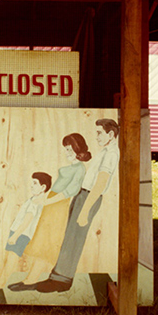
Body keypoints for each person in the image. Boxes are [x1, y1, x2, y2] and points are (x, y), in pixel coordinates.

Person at [35, 118, 119, 293]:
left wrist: (85, 210)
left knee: (74, 237)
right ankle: (57, 276)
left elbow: (101, 182)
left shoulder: (111, 154)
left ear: (111, 134)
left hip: (89, 197)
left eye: (99, 133)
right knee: (69, 235)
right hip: (83, 195)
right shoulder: (106, 151)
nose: (96, 137)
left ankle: (62, 280)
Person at [8, 133, 91, 292]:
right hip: (51, 203)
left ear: (77, 149)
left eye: (69, 149)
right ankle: (29, 279)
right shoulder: (72, 167)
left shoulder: (80, 168)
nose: (67, 152)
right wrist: (45, 198)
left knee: (45, 243)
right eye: (66, 149)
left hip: (58, 206)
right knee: (40, 241)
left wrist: (48, 201)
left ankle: (30, 280)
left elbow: (71, 190)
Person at [0, 172, 52, 290]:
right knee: (9, 256)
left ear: (43, 187)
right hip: (17, 232)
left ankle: (1, 282)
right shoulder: (34, 199)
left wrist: (15, 235)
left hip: (21, 234)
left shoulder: (36, 202)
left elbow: (27, 220)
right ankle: (0, 279)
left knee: (12, 257)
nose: (31, 185)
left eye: (35, 183)